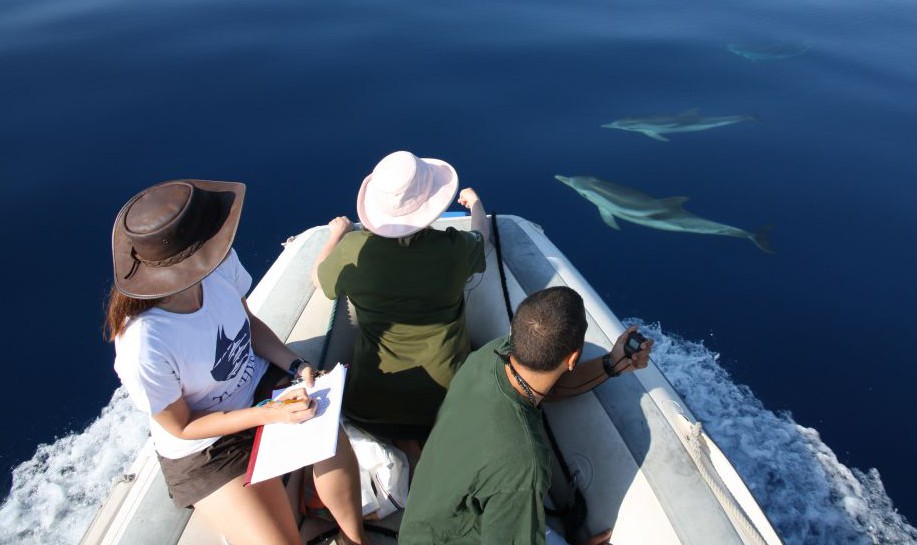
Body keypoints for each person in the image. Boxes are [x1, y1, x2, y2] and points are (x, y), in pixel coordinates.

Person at [105, 180, 366, 545]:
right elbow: (181, 427)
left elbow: (249, 325)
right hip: (205, 448)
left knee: (332, 441)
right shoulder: (143, 343)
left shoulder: (218, 264)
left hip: (261, 389)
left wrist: (295, 366)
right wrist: (268, 414)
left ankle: (357, 540)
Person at [398, 286, 654, 545]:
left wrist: (612, 363)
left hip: (428, 523)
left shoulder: (490, 356)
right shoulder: (525, 460)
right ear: (573, 358)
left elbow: (548, 386)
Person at [312, 150, 489, 460]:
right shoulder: (453, 250)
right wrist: (475, 204)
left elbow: (319, 279)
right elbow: (480, 237)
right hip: (446, 398)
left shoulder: (354, 250)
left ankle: (406, 446)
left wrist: (338, 234)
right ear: (432, 204)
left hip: (371, 403)